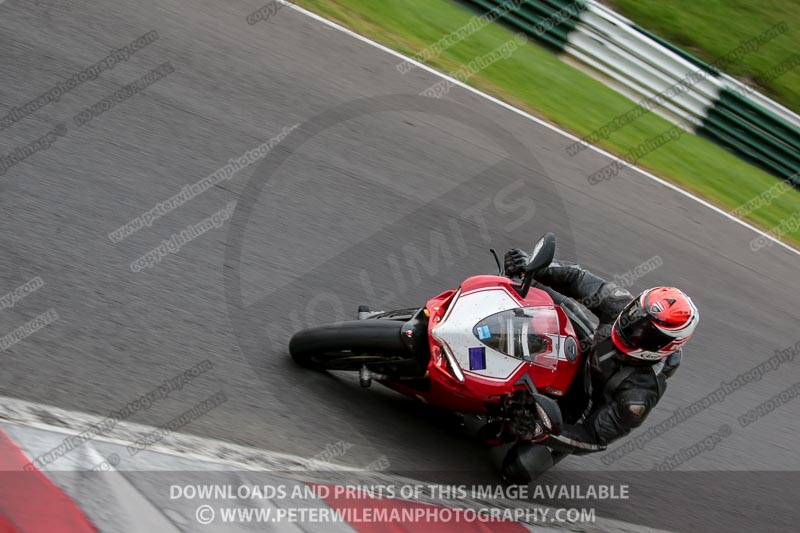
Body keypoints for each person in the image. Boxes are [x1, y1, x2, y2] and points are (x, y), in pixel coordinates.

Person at [498, 249, 699, 481]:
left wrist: (540, 428)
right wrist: (535, 266)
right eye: (636, 315)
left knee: (520, 468)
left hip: (580, 411)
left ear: (666, 346)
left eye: (646, 332)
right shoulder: (619, 303)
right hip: (585, 352)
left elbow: (593, 437)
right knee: (524, 282)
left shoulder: (639, 396)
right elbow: (577, 278)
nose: (632, 327)